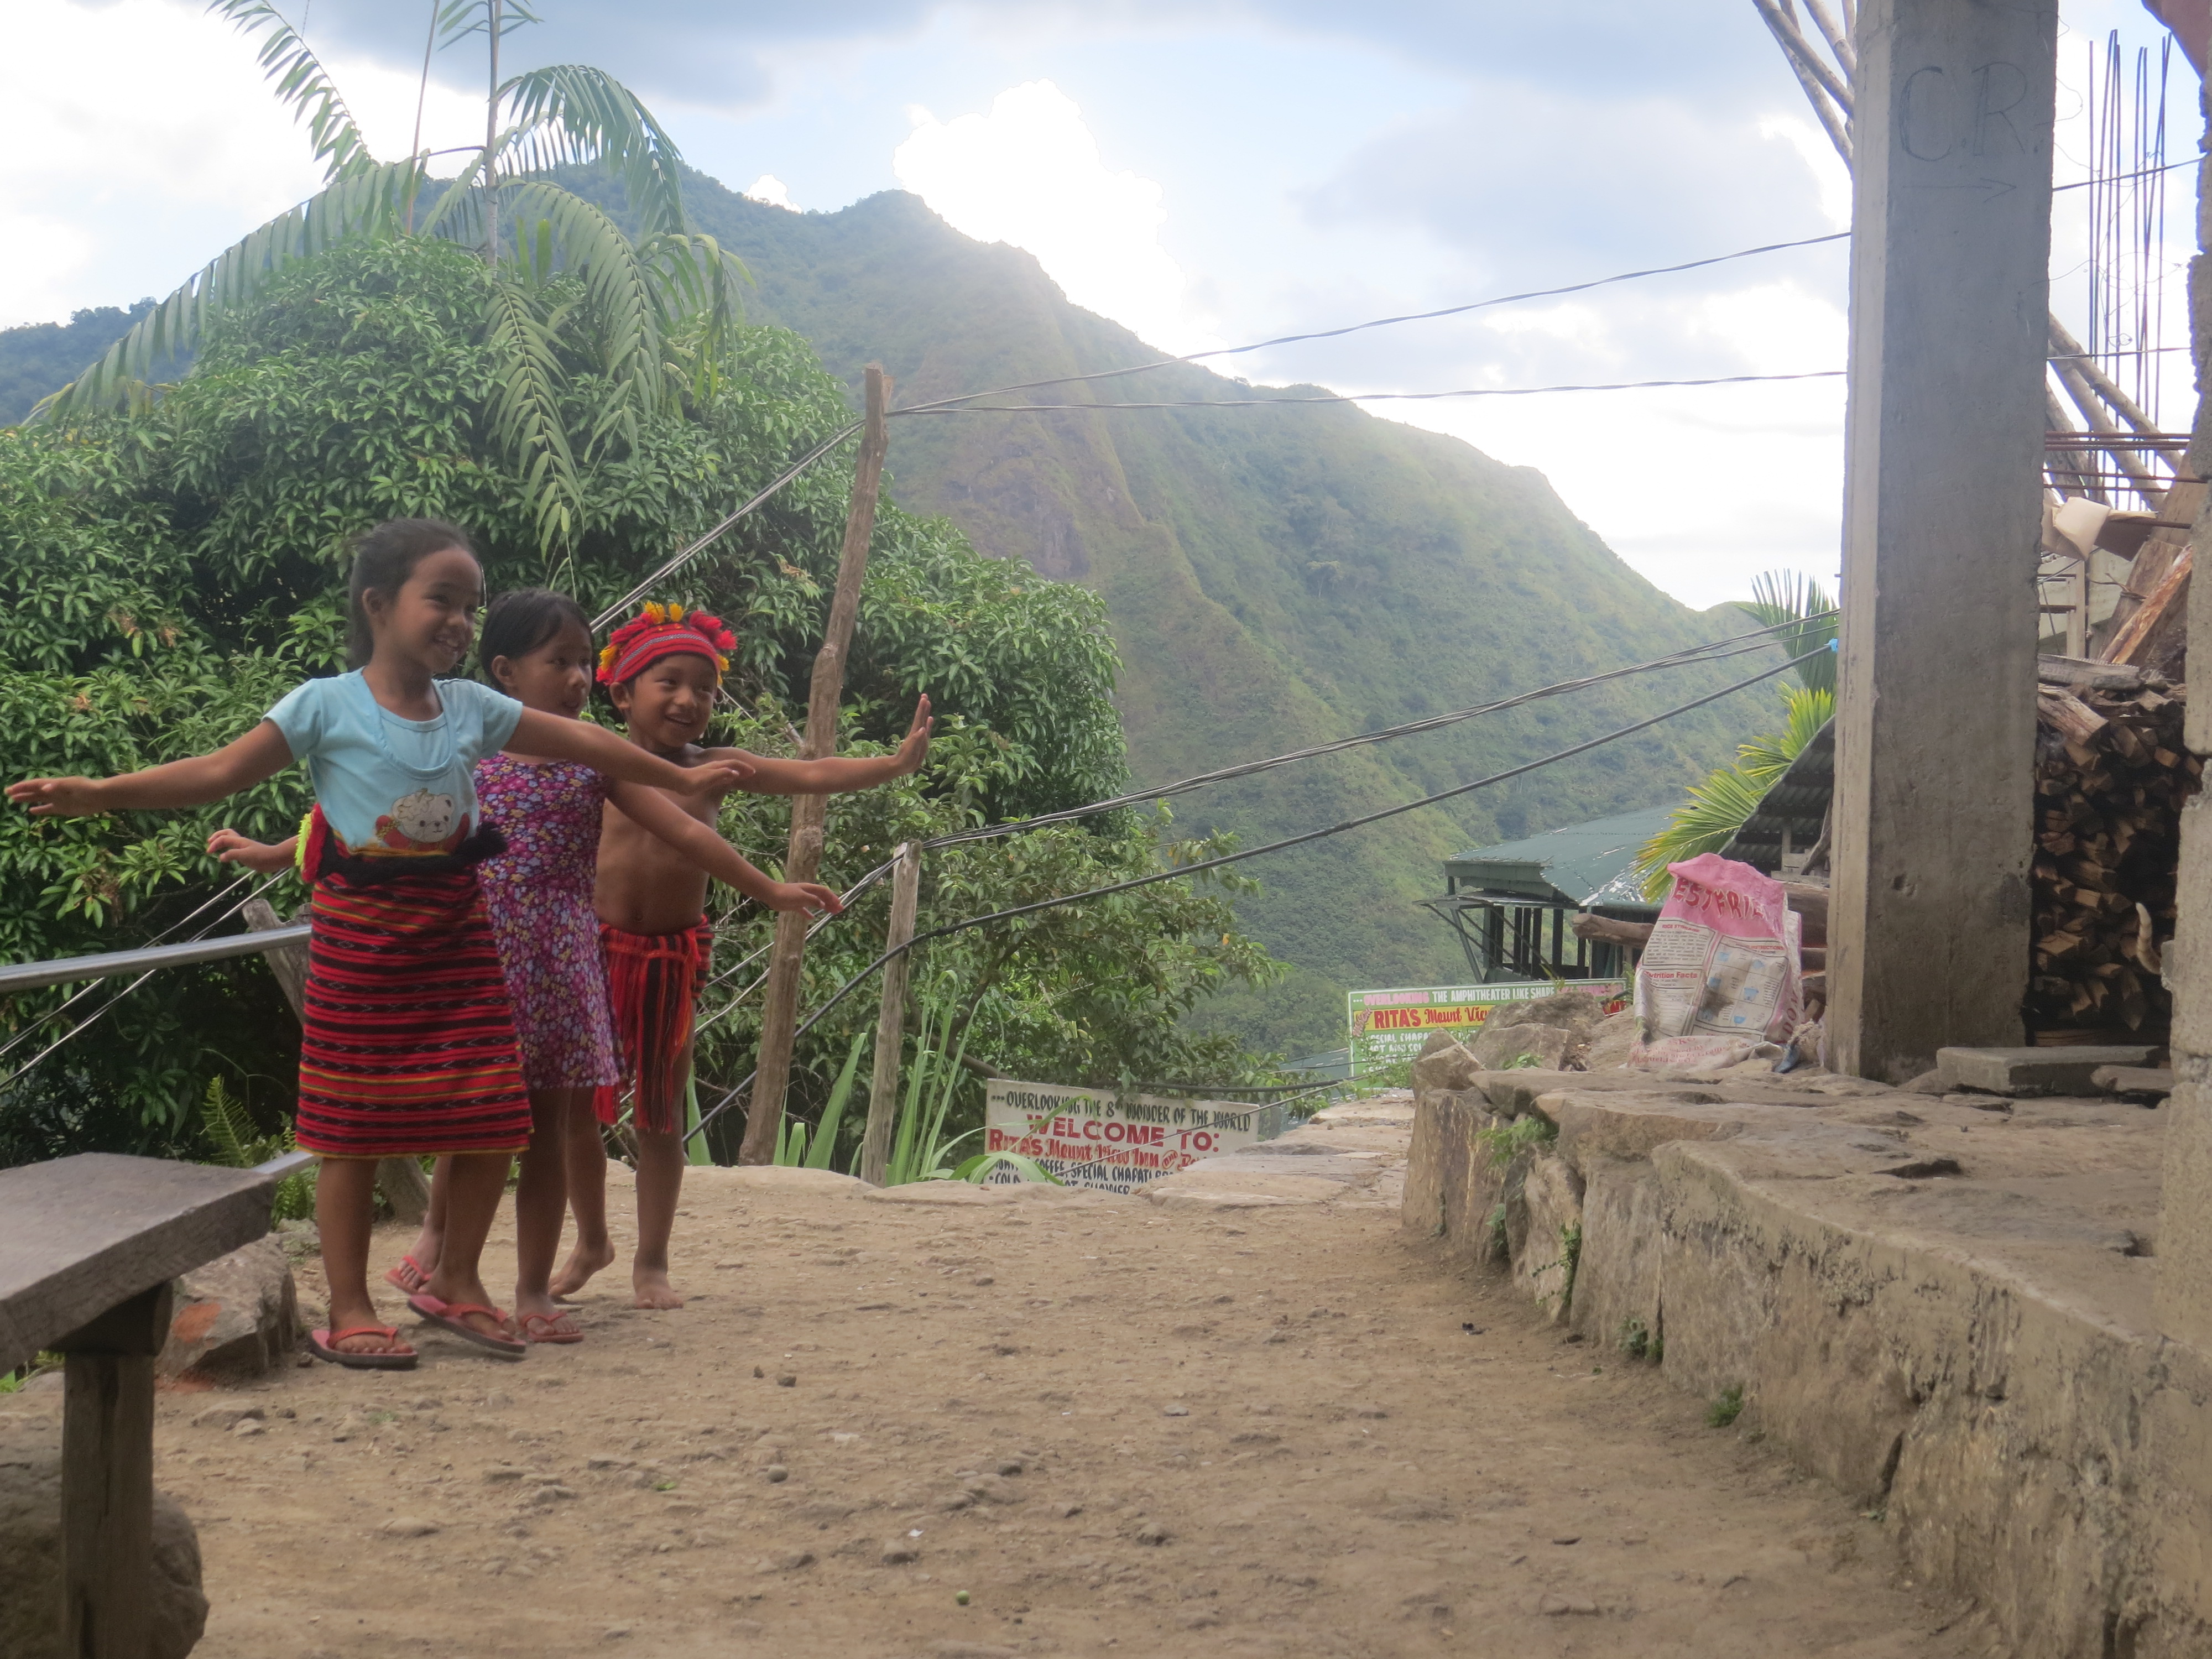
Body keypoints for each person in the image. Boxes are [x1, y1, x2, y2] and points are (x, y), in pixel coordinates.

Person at [9, 519, 748, 1369]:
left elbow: (584, 741)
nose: (460, 621)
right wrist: (103, 791)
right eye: (442, 599)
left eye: (470, 606)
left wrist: (680, 775)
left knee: (495, 1116)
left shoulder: (472, 706)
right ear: (378, 603)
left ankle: (459, 1284)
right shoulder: (324, 704)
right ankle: (352, 1306)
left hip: (462, 929)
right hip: (363, 935)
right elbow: (220, 772)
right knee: (350, 1129)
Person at [215, 588, 845, 1343]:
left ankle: (531, 1292)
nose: (578, 679)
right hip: (480, 956)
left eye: (585, 663)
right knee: (470, 1115)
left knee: (550, 1128)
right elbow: (377, 814)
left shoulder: (594, 764)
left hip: (566, 958)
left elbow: (688, 832)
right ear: (507, 675)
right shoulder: (464, 753)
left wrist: (769, 888)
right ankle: (445, 1255)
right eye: (561, 663)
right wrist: (278, 853)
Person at [556, 601, 931, 1309]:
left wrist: (893, 764)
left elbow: (811, 775)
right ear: (620, 692)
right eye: (668, 681)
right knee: (579, 1112)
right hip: (593, 953)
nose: (688, 699)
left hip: (669, 960)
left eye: (703, 687)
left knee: (659, 1116)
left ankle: (652, 1263)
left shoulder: (717, 766)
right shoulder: (596, 761)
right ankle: (591, 1242)